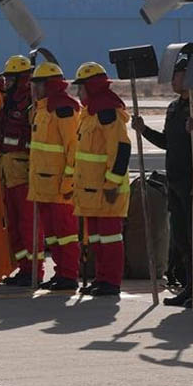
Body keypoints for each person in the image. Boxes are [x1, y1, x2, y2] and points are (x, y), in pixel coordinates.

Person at [133, 57, 193, 307]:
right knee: (181, 238)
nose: (173, 81)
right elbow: (167, 143)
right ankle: (189, 287)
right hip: (176, 181)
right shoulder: (173, 108)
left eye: (177, 75)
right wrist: (144, 130)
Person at [70, 62, 131, 296]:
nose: (78, 93)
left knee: (110, 239)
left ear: (92, 86)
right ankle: (101, 278)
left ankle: (111, 282)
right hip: (91, 191)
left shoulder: (107, 112)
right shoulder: (91, 113)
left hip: (107, 190)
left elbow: (121, 149)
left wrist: (112, 184)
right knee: (96, 239)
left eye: (81, 87)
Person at [25, 62, 81, 290]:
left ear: (49, 85)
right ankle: (60, 273)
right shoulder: (41, 109)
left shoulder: (64, 109)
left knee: (66, 233)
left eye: (38, 84)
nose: (34, 88)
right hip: (44, 185)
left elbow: (73, 149)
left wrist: (68, 182)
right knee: (53, 235)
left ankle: (69, 274)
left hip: (60, 187)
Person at [0, 55, 36, 285]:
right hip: (9, 170)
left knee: (27, 224)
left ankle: (33, 270)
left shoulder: (29, 103)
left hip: (23, 170)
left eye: (10, 78)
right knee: (13, 223)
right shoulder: (9, 101)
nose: (7, 82)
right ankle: (23, 268)